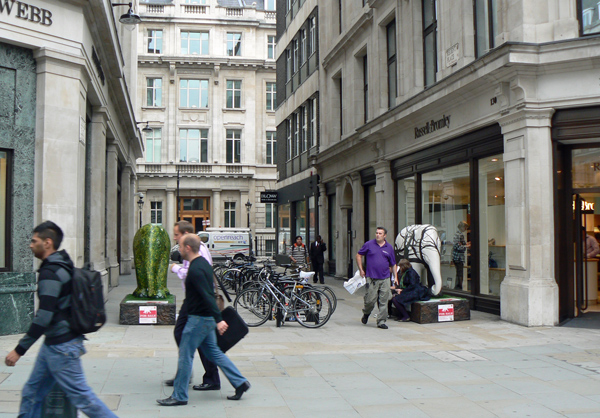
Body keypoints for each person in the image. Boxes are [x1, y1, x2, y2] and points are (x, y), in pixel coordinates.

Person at [4, 221, 118, 418]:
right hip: (55, 344)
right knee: (32, 393)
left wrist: (19, 350)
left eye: (34, 241)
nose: (30, 245)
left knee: (83, 398)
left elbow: (44, 316)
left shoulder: (51, 272)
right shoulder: (62, 265)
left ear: (47, 242)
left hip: (61, 347)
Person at [157, 234, 250, 406]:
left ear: (188, 248)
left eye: (180, 246)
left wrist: (218, 319)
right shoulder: (203, 265)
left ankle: (179, 395)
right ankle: (240, 382)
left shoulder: (196, 269)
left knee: (185, 355)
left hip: (198, 320)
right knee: (214, 353)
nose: (178, 249)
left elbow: (207, 296)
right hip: (204, 319)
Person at [165, 221, 220, 392]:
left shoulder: (198, 250)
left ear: (186, 234)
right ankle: (191, 373)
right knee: (189, 336)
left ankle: (201, 375)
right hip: (193, 299)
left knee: (190, 337)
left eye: (176, 234)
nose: (174, 238)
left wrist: (175, 269)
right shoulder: (191, 248)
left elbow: (194, 273)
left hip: (197, 300)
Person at [356, 226, 398, 330]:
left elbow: (393, 264)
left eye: (380, 233)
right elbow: (358, 255)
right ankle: (366, 313)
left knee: (384, 300)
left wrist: (395, 277)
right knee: (370, 300)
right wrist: (361, 269)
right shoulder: (369, 244)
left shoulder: (389, 247)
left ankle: (381, 321)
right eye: (377, 233)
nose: (378, 235)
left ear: (385, 236)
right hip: (372, 278)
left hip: (385, 278)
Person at [452, 221, 470, 290]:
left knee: (459, 273)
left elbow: (460, 245)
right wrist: (466, 246)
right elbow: (457, 247)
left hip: (458, 257)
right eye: (465, 227)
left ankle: (458, 287)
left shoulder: (458, 234)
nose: (465, 229)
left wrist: (464, 245)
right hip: (458, 257)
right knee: (460, 274)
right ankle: (458, 288)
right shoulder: (458, 235)